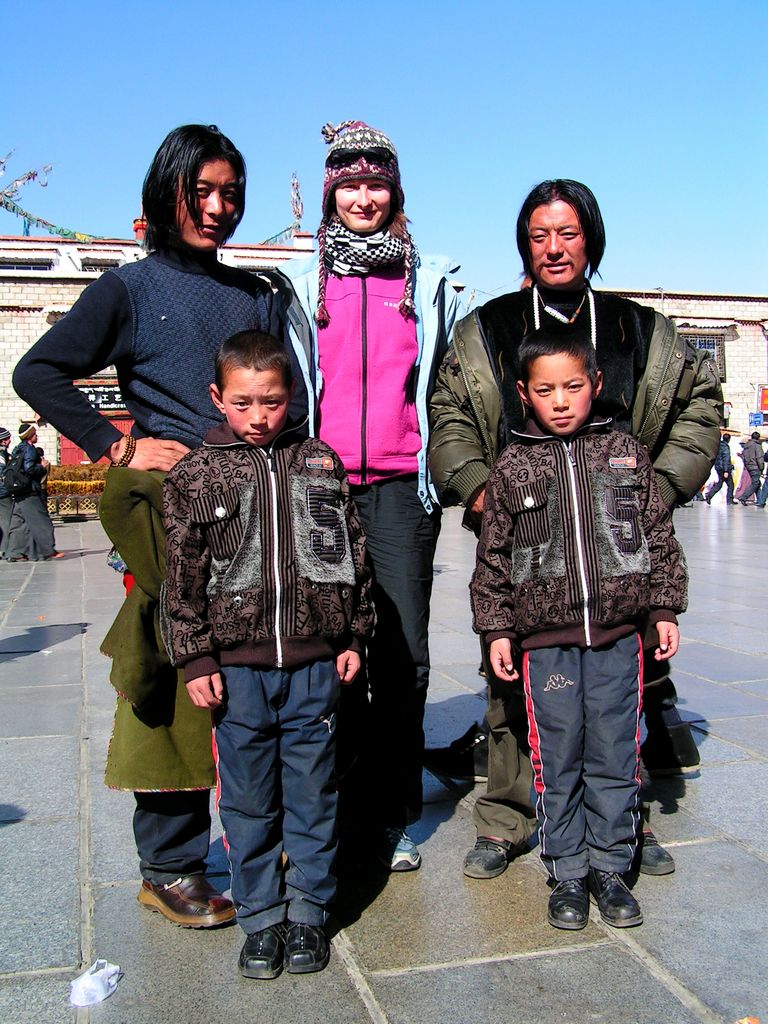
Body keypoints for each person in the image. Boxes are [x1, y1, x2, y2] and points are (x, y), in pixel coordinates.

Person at [13, 124, 311, 928]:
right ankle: (170, 865)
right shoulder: (129, 289)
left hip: (260, 522)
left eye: (231, 194)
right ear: (165, 193)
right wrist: (122, 444)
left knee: (262, 679)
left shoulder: (257, 295)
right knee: (176, 685)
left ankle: (270, 836)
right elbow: (36, 370)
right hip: (173, 521)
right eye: (201, 192)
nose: (218, 209)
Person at [429, 179, 721, 880]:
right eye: (539, 236)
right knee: (513, 679)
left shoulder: (638, 327)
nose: (554, 248)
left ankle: (624, 817)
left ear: (590, 237)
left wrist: (659, 485)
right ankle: (507, 816)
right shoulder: (488, 328)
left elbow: (699, 401)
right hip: (524, 539)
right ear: (523, 244)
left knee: (626, 683)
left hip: (619, 548)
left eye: (567, 233)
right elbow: (450, 413)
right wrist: (479, 493)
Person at [162, 331, 373, 978]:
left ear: (293, 397)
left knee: (313, 792)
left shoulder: (319, 462)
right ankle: (259, 917)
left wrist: (353, 634)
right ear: (217, 398)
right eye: (245, 402)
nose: (259, 417)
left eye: (274, 402)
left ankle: (309, 911)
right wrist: (195, 658)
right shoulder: (195, 476)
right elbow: (181, 578)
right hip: (236, 672)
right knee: (248, 801)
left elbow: (352, 556)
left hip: (314, 665)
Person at [282, 121, 461, 871]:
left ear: (395, 192)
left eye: (376, 183)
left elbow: (452, 383)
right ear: (331, 191)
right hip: (319, 489)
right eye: (349, 184)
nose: (362, 196)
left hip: (397, 488)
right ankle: (331, 806)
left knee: (401, 652)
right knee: (324, 651)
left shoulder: (430, 278)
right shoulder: (297, 280)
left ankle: (390, 815)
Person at [470, 325, 687, 930]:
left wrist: (663, 608)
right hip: (547, 647)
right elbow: (493, 560)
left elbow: (657, 537)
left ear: (596, 384)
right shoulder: (513, 467)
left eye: (573, 386)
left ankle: (612, 864)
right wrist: (498, 631)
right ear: (523, 393)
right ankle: (567, 869)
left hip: (619, 638)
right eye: (546, 390)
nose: (561, 401)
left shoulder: (625, 454)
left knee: (617, 750)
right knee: (557, 755)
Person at [4, 423, 60, 561]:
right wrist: (41, 467)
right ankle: (47, 551)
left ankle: (15, 553)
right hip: (29, 490)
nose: (37, 436)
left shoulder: (17, 449)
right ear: (30, 436)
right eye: (35, 434)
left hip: (17, 490)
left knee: (18, 522)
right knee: (42, 522)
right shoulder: (30, 449)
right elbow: (29, 468)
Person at [705, 433, 736, 505]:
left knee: (720, 483)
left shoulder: (718, 446)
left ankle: (709, 495)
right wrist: (726, 470)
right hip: (724, 468)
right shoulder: (725, 447)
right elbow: (726, 459)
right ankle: (729, 500)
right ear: (729, 439)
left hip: (718, 467)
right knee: (730, 485)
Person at [738, 432, 764, 506]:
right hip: (756, 467)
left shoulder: (746, 446)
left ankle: (760, 500)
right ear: (758, 438)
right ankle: (743, 497)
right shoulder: (757, 446)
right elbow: (759, 458)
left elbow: (744, 457)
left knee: (757, 483)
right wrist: (761, 468)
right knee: (755, 483)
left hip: (749, 467)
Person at [0, 427, 13, 556]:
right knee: (7, 520)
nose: (9, 441)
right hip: (2, 494)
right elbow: (2, 473)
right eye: (8, 438)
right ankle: (6, 549)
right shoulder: (1, 454)